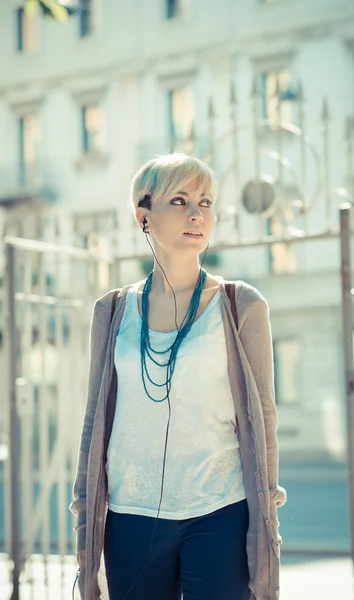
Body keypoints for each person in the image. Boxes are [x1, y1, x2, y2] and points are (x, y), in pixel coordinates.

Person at [70, 152, 287, 600]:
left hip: (219, 510)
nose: (196, 214)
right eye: (181, 201)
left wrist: (267, 510)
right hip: (130, 514)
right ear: (143, 216)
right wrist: (85, 508)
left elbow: (263, 416)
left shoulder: (240, 305)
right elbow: (95, 417)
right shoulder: (111, 311)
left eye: (206, 203)